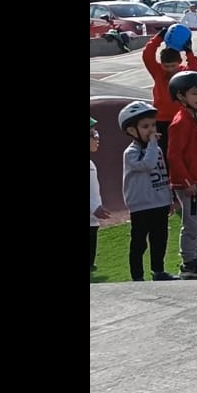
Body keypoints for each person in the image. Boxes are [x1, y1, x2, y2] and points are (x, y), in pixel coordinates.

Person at [166, 70, 197, 278]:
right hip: (192, 181)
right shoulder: (180, 122)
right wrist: (187, 181)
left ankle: (196, 254)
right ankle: (188, 262)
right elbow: (174, 156)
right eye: (195, 93)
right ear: (180, 96)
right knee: (192, 222)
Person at [119, 101, 177, 282]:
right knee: (139, 243)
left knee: (159, 239)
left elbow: (161, 172)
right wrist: (152, 144)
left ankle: (158, 271)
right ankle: (137, 277)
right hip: (141, 206)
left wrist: (169, 199)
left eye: (153, 125)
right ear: (131, 131)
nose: (151, 130)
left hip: (159, 202)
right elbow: (147, 164)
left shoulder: (156, 149)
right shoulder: (131, 153)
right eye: (145, 127)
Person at [141, 27, 197, 146]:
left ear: (179, 62)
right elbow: (147, 55)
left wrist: (189, 52)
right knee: (164, 151)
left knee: (182, 149)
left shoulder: (185, 73)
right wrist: (159, 37)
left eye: (173, 66)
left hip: (182, 119)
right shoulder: (158, 72)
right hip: (161, 120)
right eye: (166, 66)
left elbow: (196, 73)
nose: (170, 69)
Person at [90, 117, 110, 275]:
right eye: (92, 134)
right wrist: (93, 207)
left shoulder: (91, 164)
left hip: (92, 220)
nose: (97, 138)